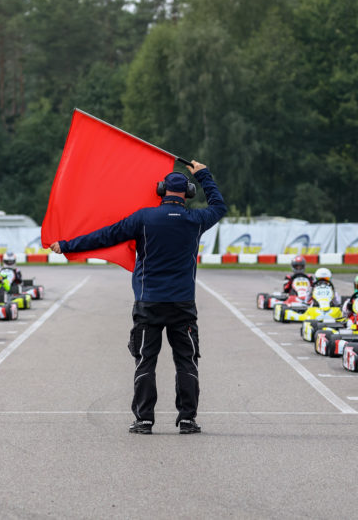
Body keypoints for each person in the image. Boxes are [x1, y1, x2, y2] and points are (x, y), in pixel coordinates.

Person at [50, 160, 227, 435]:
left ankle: (144, 420)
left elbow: (105, 236)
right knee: (186, 361)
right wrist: (204, 174)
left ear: (160, 190)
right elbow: (219, 206)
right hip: (182, 305)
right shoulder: (195, 221)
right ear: (189, 193)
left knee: (146, 360)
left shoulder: (143, 218)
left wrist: (67, 245)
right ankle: (187, 420)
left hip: (149, 303)